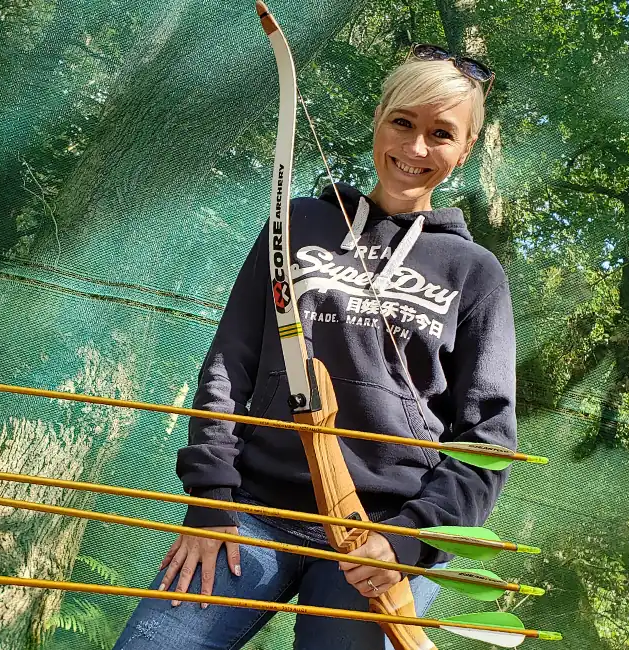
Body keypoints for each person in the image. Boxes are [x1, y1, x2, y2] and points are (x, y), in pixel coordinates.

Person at [112, 45, 515, 650]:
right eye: (403, 123)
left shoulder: (475, 272)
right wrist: (211, 502)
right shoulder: (297, 219)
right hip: (251, 509)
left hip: (380, 530)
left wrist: (409, 539)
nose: (415, 149)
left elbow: (487, 438)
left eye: (441, 134)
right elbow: (231, 363)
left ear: (464, 150)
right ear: (379, 119)